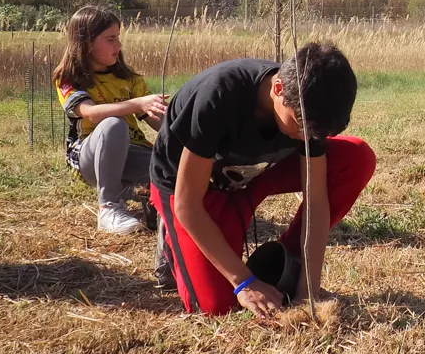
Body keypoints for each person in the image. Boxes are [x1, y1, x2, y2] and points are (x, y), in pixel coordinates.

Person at [149, 43, 376, 317]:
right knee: (216, 305)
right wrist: (244, 282)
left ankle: (286, 255)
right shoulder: (219, 96)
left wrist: (308, 293)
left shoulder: (310, 114)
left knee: (356, 158)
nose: (306, 138)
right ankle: (172, 239)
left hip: (248, 178)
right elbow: (188, 205)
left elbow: (315, 199)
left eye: (314, 134)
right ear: (278, 89)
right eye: (299, 126)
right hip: (193, 190)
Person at [53, 6, 167, 235]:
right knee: (114, 124)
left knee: (174, 167)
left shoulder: (130, 78)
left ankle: (137, 193)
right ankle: (109, 208)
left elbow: (159, 123)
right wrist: (138, 103)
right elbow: (91, 113)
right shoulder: (68, 78)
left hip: (134, 152)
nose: (119, 45)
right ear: (86, 43)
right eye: (110, 39)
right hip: (90, 157)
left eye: (118, 38)